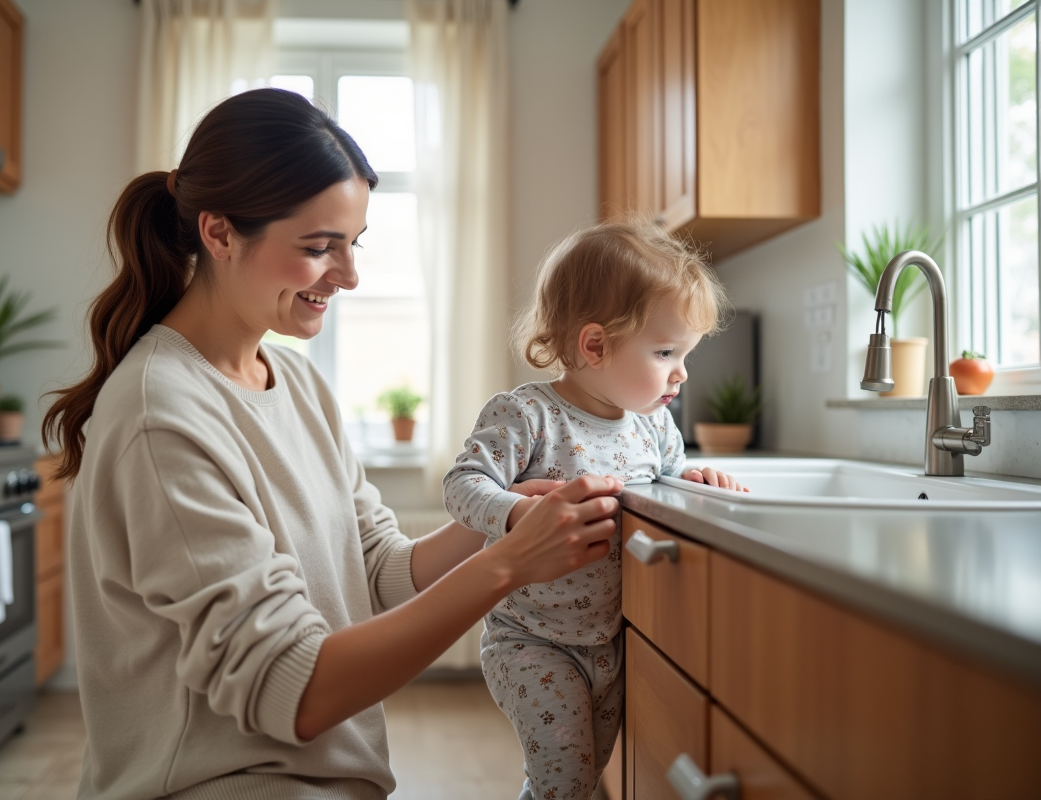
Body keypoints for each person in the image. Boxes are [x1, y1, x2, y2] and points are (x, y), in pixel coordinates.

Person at [41, 88, 624, 800]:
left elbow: (376, 571)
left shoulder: (295, 380)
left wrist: (500, 522)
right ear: (219, 234)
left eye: (354, 244)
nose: (348, 276)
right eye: (319, 248)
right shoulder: (160, 415)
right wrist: (509, 565)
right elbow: (293, 691)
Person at [442, 221, 746, 800]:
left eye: (685, 354)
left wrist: (696, 479)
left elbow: (670, 477)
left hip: (610, 640)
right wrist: (517, 514)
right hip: (530, 639)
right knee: (564, 780)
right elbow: (462, 485)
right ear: (595, 346)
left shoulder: (654, 424)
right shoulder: (528, 414)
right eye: (666, 352)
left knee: (580, 781)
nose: (682, 371)